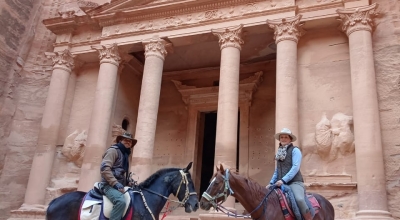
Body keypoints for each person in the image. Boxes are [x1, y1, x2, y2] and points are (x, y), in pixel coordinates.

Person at [266, 128, 311, 220]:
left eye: (286, 137)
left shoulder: (295, 150)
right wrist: (271, 183)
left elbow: (295, 167)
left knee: (299, 199)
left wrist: (283, 180)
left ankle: (308, 218)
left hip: (295, 182)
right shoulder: (279, 152)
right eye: (281, 137)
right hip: (280, 182)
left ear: (290, 139)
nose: (283, 139)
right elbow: (277, 170)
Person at [100, 132, 137, 220]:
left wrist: (127, 181)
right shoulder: (113, 151)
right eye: (126, 140)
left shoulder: (125, 154)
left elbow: (119, 172)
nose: (128, 142)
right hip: (108, 185)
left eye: (130, 141)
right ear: (120, 140)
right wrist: (115, 183)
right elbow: (104, 169)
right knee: (120, 202)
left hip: (119, 185)